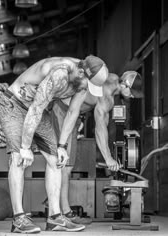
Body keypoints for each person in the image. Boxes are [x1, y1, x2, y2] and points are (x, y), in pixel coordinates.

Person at [0, 55, 112, 233]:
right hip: (14, 104)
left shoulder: (81, 82)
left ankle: (55, 218)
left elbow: (73, 113)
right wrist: (26, 147)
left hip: (38, 110)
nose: (86, 90)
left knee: (56, 160)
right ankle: (19, 219)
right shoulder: (59, 72)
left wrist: (62, 146)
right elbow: (35, 108)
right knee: (19, 157)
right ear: (81, 72)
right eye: (88, 85)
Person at [51, 70, 143, 224]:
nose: (132, 97)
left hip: (73, 115)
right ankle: (63, 214)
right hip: (64, 111)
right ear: (124, 85)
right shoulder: (106, 97)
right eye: (132, 93)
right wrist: (108, 159)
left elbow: (105, 126)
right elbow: (100, 129)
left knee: (67, 165)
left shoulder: (113, 78)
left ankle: (62, 211)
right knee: (65, 167)